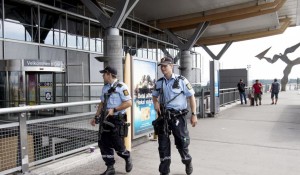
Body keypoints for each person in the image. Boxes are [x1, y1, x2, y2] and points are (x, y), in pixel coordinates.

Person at [152, 57, 198, 175]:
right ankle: (164, 171)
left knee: (182, 143)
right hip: (164, 117)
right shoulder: (159, 82)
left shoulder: (182, 80)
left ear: (171, 66)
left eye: (165, 66)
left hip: (178, 116)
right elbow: (154, 96)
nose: (163, 68)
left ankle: (187, 161)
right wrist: (156, 103)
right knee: (162, 144)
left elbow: (191, 97)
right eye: (161, 66)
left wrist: (194, 114)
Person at [90, 66, 133, 175]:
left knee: (118, 144)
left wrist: (114, 109)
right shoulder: (105, 88)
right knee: (103, 143)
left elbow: (129, 103)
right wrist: (96, 116)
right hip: (105, 120)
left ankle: (127, 156)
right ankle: (110, 167)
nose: (102, 76)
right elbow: (102, 103)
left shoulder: (122, 87)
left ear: (109, 74)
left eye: (104, 74)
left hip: (117, 120)